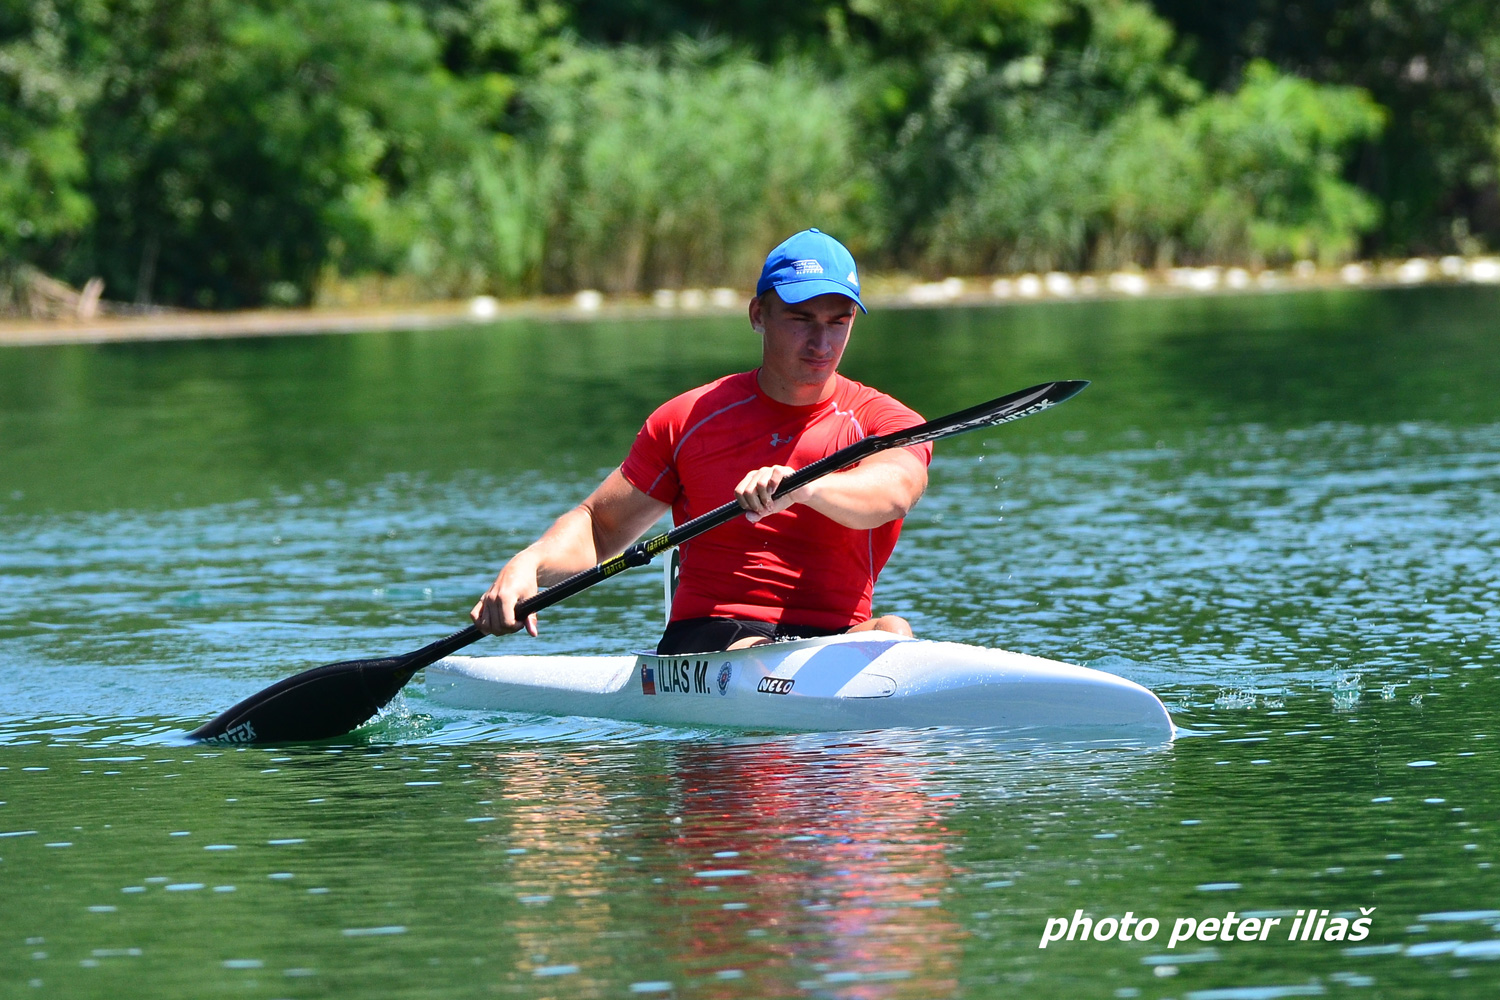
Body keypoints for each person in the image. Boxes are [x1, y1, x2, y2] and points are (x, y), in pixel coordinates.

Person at [470, 229, 932, 654]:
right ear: (759, 315)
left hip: (834, 636)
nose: (821, 341)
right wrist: (527, 565)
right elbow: (601, 527)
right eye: (801, 318)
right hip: (718, 634)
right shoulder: (687, 418)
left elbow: (893, 493)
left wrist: (805, 487)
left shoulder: (885, 420)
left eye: (838, 321)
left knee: (894, 631)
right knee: (760, 659)